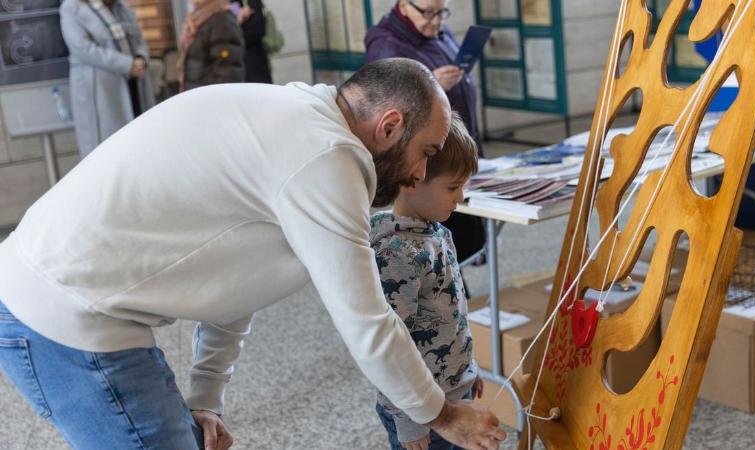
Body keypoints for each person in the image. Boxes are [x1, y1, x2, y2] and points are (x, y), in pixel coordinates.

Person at [0, 58, 505, 450]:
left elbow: (234, 277)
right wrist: (441, 415)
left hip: (55, 294)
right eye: (427, 153)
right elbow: (366, 319)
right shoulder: (326, 157)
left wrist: (204, 398)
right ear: (390, 126)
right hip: (64, 312)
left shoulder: (294, 120)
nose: (420, 175)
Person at [372, 114, 483, 450]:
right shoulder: (395, 254)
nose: (461, 196)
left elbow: (453, 313)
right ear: (413, 179)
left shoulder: (436, 231)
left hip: (452, 392)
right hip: (419, 411)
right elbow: (391, 346)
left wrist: (468, 370)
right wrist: (409, 420)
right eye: (453, 187)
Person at [364, 0, 486, 264]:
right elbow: (388, 104)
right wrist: (433, 84)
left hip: (453, 148)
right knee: (435, 242)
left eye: (441, 12)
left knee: (454, 242)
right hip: (432, 161)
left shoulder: (437, 31)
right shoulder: (386, 44)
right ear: (403, 5)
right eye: (428, 12)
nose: (436, 21)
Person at [60, 0, 156, 158]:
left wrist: (141, 58)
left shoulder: (122, 7)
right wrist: (127, 64)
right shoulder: (72, 7)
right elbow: (83, 49)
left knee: (140, 144)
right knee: (109, 151)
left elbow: (139, 38)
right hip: (102, 90)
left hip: (134, 83)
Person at [179, 0, 245, 91]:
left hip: (209, 98)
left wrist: (207, 99)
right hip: (197, 96)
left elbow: (227, 74)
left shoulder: (222, 20)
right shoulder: (199, 18)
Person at [231, 0, 274, 83]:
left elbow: (258, 30)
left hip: (254, 63)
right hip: (234, 66)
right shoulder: (226, 4)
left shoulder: (250, 2)